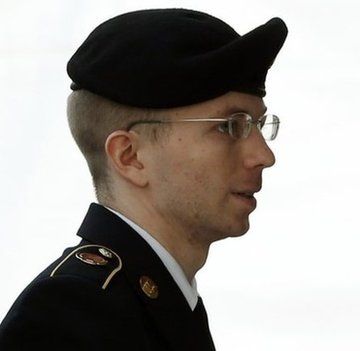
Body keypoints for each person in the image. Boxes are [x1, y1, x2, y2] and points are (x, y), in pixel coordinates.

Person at [0, 8, 287, 350]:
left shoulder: (154, 297)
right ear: (130, 157)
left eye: (257, 125)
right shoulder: (67, 317)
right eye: (229, 126)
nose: (264, 156)